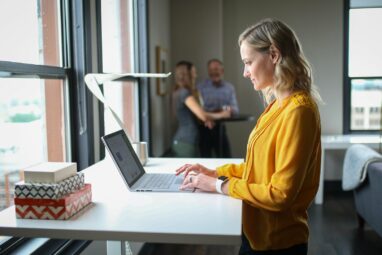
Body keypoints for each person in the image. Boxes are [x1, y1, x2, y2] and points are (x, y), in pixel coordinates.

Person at [176, 18, 322, 255]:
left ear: (273, 54)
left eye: (248, 62)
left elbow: (280, 194)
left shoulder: (299, 111)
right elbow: (260, 169)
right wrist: (215, 172)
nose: (245, 72)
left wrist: (218, 185)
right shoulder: (277, 106)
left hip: (278, 244)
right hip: (255, 234)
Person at [171, 61, 231, 158]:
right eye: (194, 72)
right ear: (187, 74)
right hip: (186, 142)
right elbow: (202, 114)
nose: (196, 75)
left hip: (185, 141)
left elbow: (197, 114)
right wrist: (223, 114)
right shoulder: (184, 93)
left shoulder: (180, 91)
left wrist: (206, 120)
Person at [197, 59, 239, 158]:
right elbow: (199, 110)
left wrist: (214, 113)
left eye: (216, 69)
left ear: (222, 71)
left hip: (220, 129)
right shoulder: (200, 87)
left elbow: (235, 110)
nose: (213, 72)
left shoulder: (229, 88)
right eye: (211, 70)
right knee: (205, 160)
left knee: (226, 158)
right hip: (204, 128)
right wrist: (221, 112)